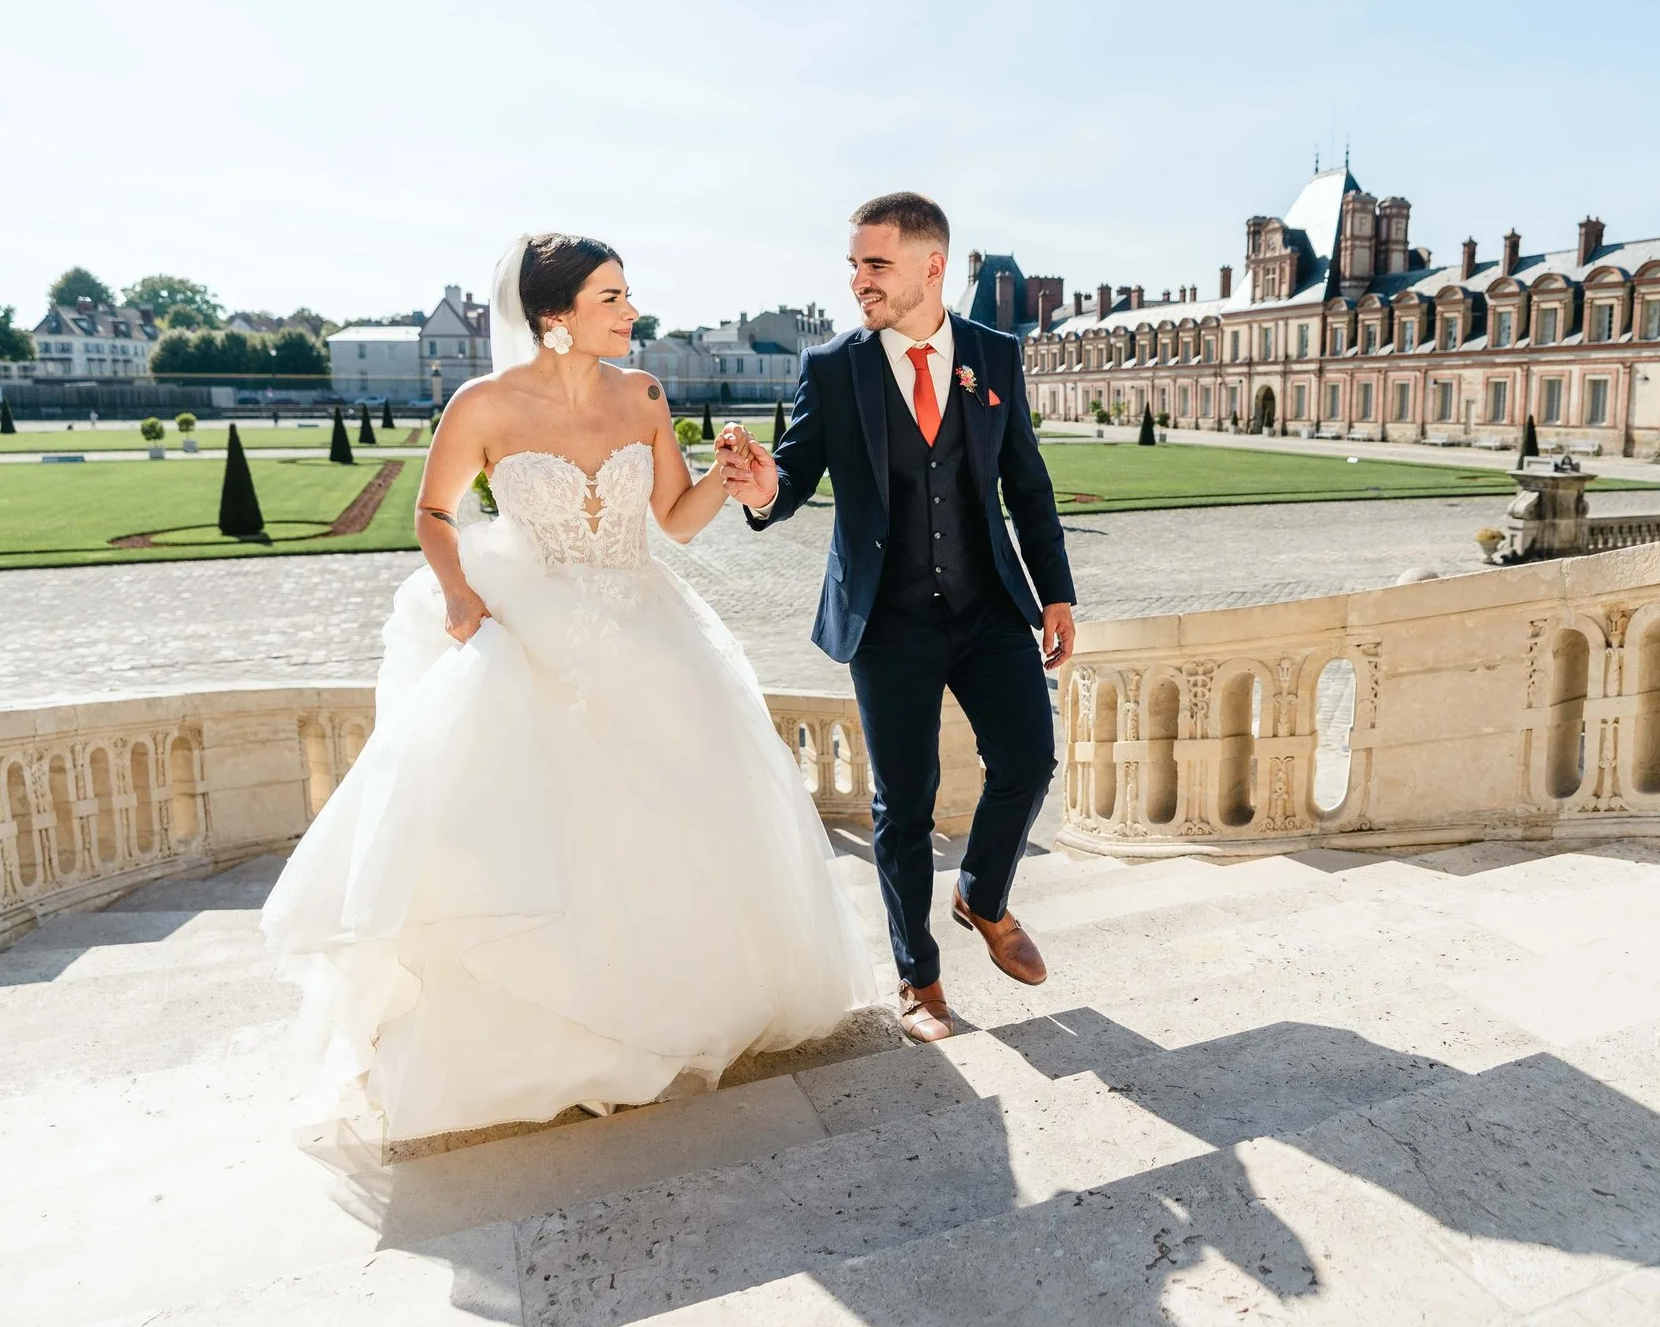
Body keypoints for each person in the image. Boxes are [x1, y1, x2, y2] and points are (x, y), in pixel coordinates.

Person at [261, 233, 879, 1141]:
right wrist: (461, 591)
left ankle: (669, 1009)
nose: (632, 311)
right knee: (548, 827)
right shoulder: (482, 405)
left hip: (652, 632)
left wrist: (725, 479)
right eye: (612, 297)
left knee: (676, 823)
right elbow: (433, 513)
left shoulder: (645, 394)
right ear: (556, 318)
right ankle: (552, 1037)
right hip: (534, 631)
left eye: (627, 294)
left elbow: (674, 521)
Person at [721, 192, 1076, 1044]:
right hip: (887, 619)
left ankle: (982, 896)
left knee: (1030, 760)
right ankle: (919, 977)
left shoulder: (994, 354)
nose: (858, 281)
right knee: (904, 805)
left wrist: (1056, 592)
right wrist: (763, 488)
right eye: (852, 264)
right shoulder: (833, 367)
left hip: (989, 603)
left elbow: (1025, 483)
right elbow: (793, 478)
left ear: (931, 266)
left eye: (874, 264)